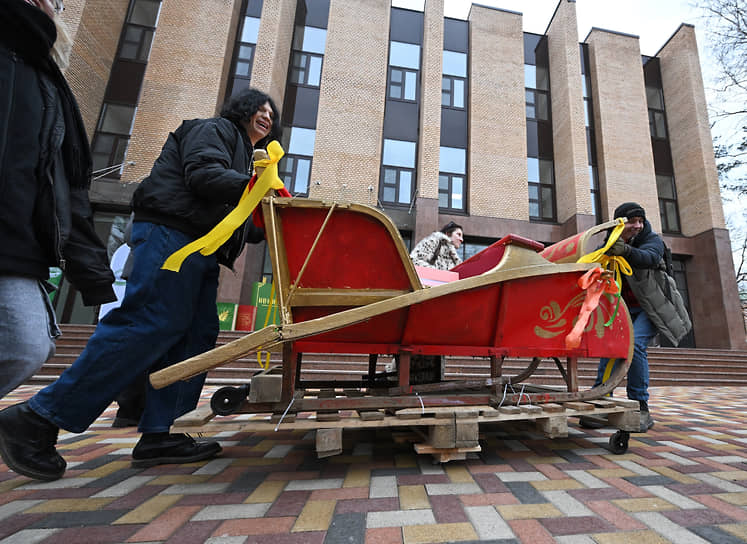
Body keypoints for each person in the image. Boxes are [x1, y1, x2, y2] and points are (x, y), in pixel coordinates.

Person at [0, 86, 281, 481]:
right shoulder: (212, 130)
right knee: (148, 323)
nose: (266, 115)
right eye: (260, 109)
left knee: (196, 336)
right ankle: (37, 416)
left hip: (202, 249)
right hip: (173, 235)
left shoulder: (249, 162)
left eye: (272, 114)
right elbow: (204, 176)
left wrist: (275, 215)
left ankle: (161, 433)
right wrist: (258, 189)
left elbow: (242, 221)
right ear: (243, 111)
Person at [0, 0, 116, 401]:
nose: (56, 8)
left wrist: (93, 274)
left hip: (14, 246)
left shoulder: (50, 85)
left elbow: (66, 185)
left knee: (26, 345)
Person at [580, 202, 691, 432]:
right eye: (632, 221)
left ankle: (640, 406)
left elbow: (649, 258)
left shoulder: (652, 240)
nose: (637, 226)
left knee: (635, 345)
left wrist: (626, 251)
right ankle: (601, 398)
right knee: (610, 347)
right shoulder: (610, 245)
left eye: (640, 221)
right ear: (620, 223)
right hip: (623, 309)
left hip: (653, 309)